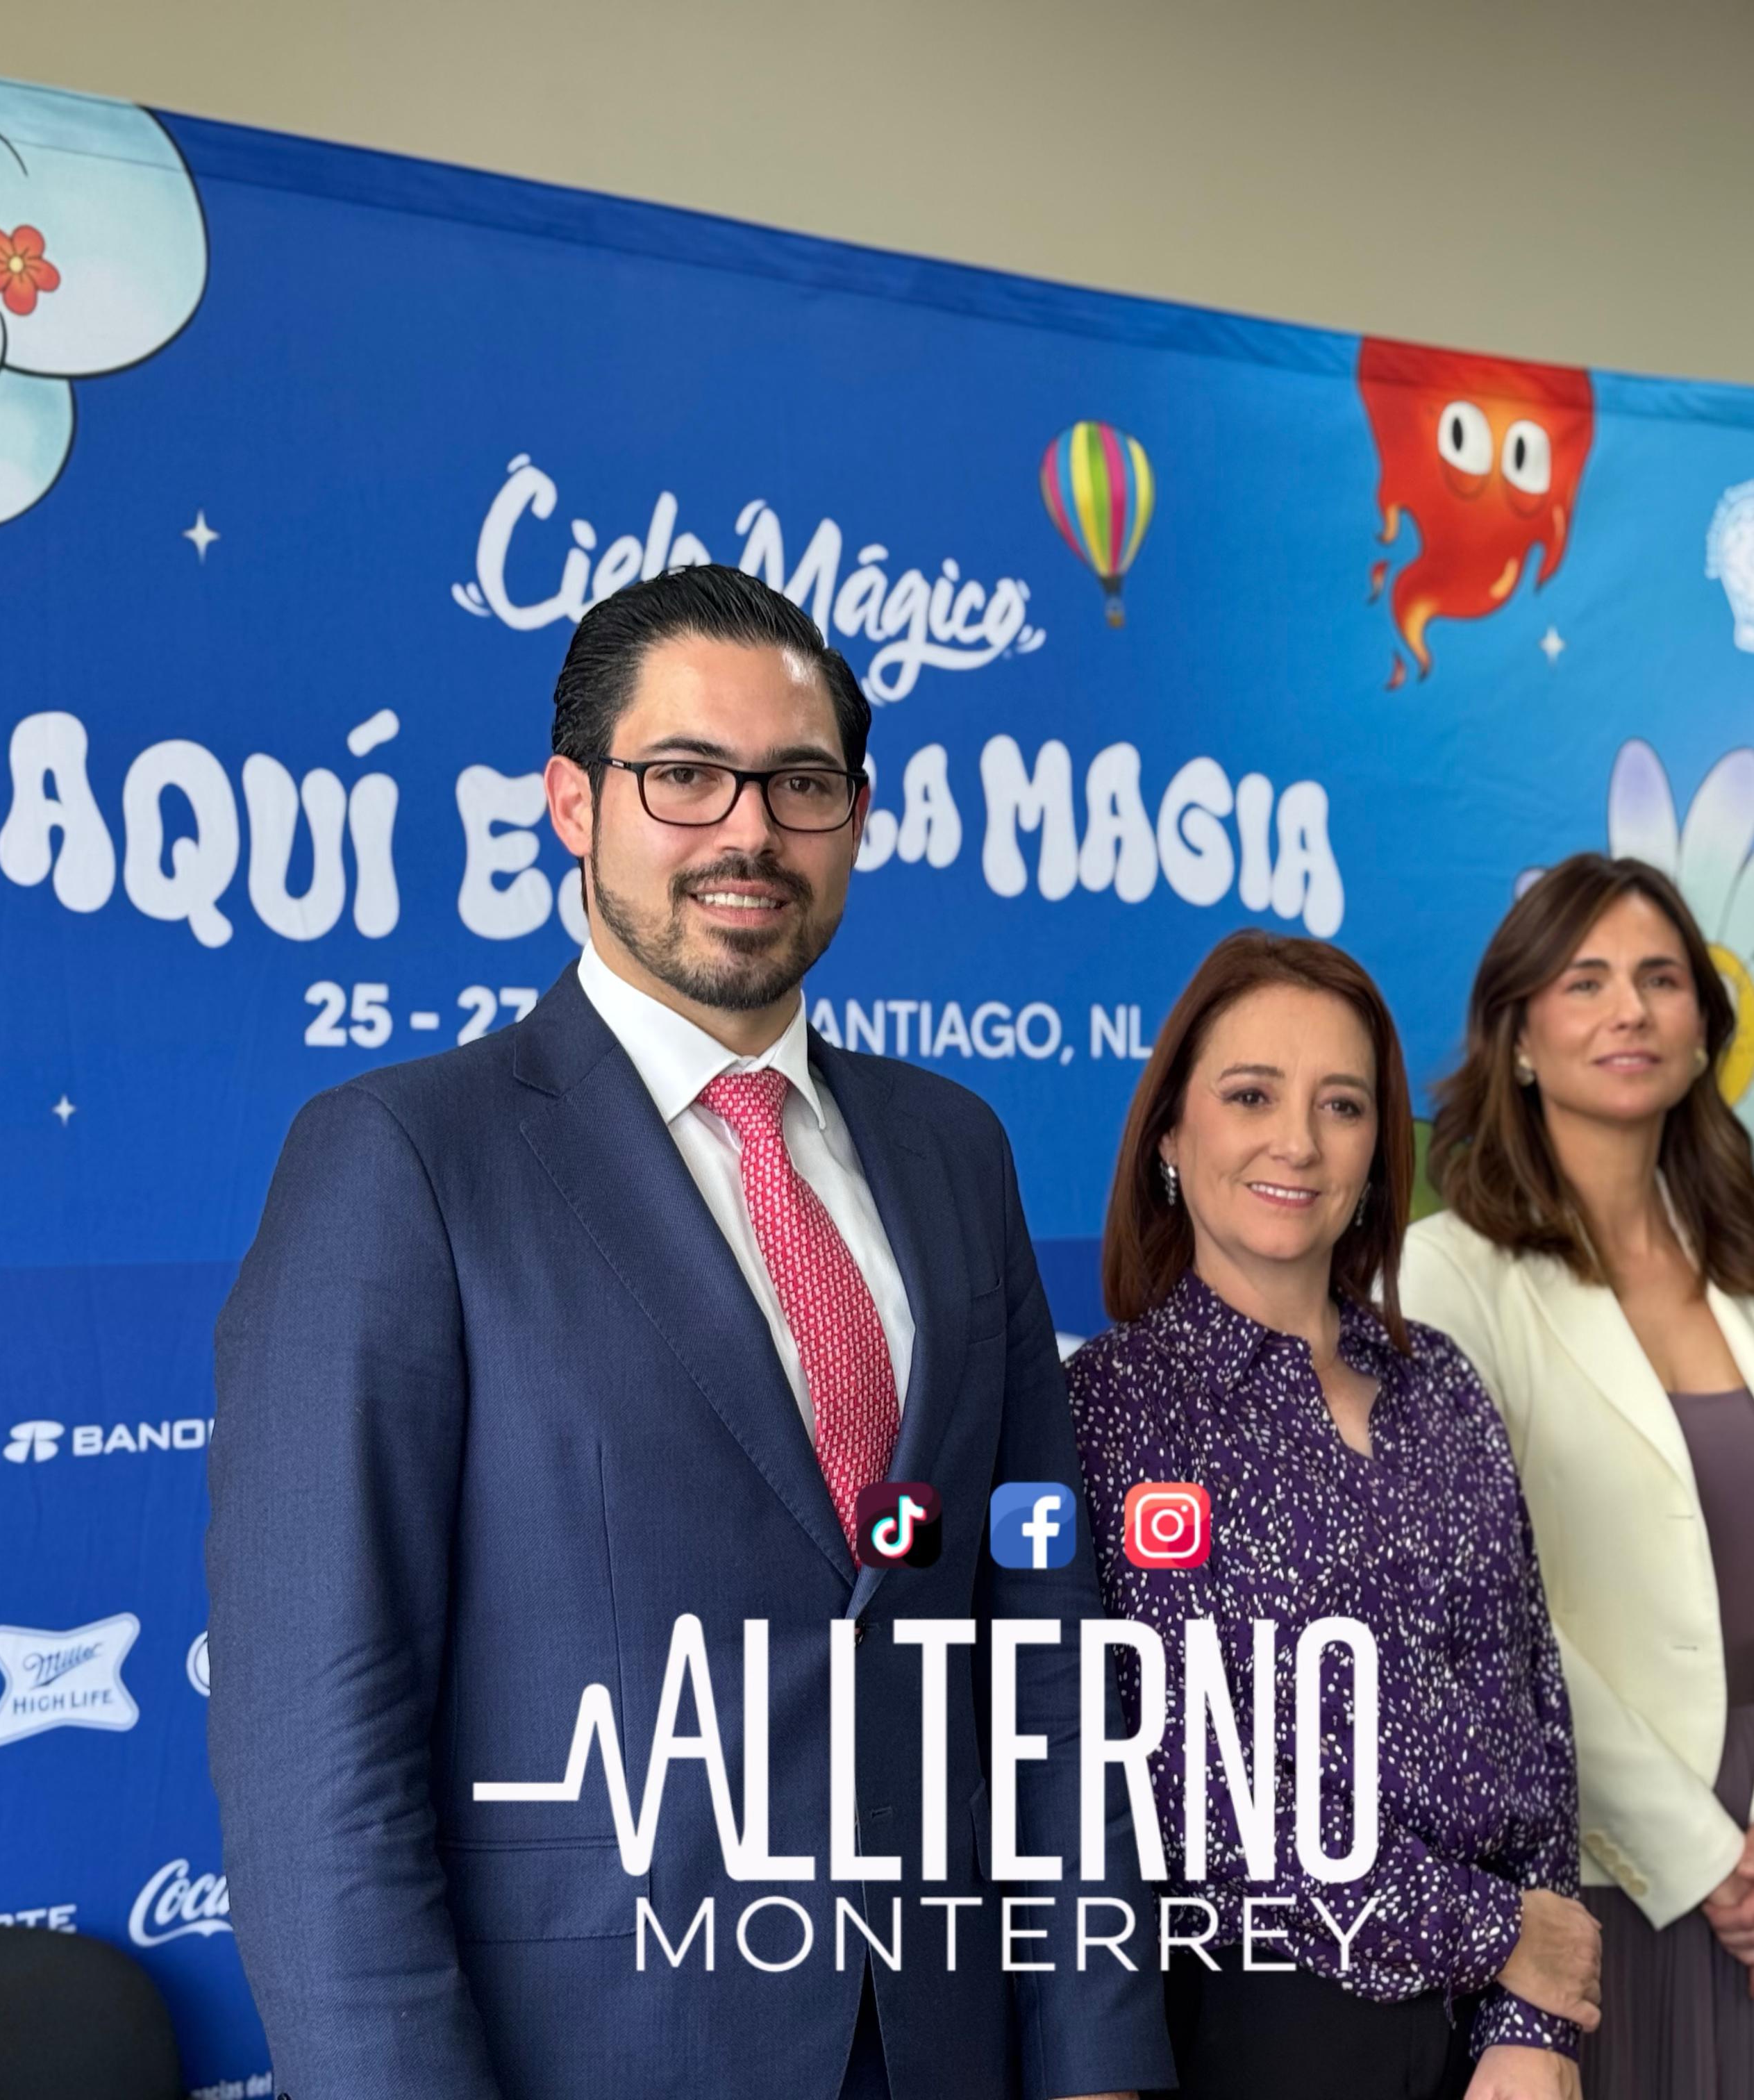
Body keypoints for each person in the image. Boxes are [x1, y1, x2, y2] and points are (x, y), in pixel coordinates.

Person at [206, 565, 1169, 2100]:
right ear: (573, 804)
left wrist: (1096, 2048)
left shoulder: (953, 1151)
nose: (747, 832)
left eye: (800, 785)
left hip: (945, 2045)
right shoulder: (404, 1161)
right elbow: (319, 1746)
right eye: (683, 776)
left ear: (856, 816)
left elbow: (1044, 1644)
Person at [1066, 930, 1595, 2100]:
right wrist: (1502, 1935)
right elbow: (1194, 1789)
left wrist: (1532, 2022)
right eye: (1250, 1093)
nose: (1297, 1142)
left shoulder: (1444, 1385)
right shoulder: (1112, 1411)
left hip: (1491, 2038)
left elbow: (1538, 1710)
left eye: (1342, 1105)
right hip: (1263, 2017)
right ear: (1170, 1132)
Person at [1401, 853, 1754, 2100]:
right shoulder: (1447, 1275)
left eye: (1663, 979)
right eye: (1586, 979)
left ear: (1705, 1029)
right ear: (1519, 1036)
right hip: (1594, 1875)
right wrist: (1699, 1857)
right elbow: (1492, 1621)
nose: (1632, 1010)